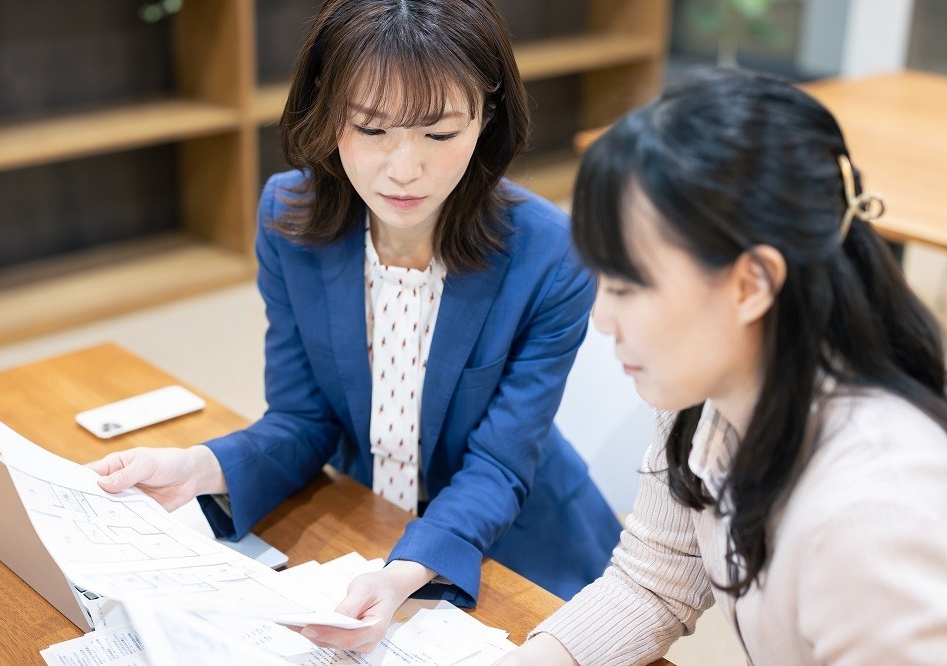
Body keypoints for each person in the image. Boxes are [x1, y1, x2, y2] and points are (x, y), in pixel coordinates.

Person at [88, 0, 621, 653]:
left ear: (488, 119)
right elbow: (304, 419)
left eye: (440, 133)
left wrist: (402, 574)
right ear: (328, 112)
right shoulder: (290, 217)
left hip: (517, 550)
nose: (403, 168)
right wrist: (198, 467)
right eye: (370, 129)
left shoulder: (551, 254)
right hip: (362, 522)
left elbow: (498, 466)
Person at [502, 67, 947, 665]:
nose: (601, 319)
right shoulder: (702, 389)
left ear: (751, 284)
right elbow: (655, 580)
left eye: (629, 287)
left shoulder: (873, 513)